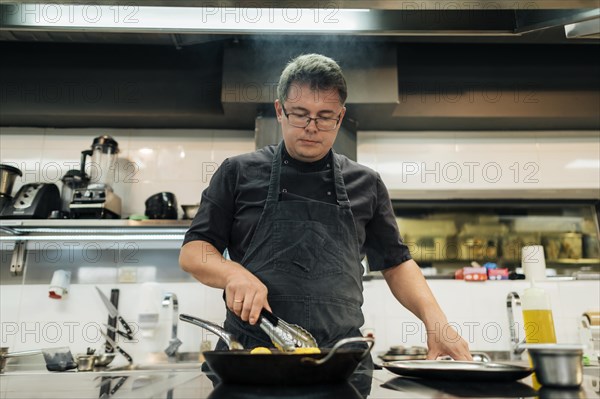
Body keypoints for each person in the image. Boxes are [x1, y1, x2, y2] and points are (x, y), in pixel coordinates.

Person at [180, 53, 472, 361]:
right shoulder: (237, 172)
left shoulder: (366, 183)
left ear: (340, 117)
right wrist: (231, 273)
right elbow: (194, 250)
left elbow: (396, 264)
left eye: (324, 116)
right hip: (253, 356)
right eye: (299, 113)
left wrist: (437, 324)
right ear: (280, 110)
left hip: (341, 360)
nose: (311, 126)